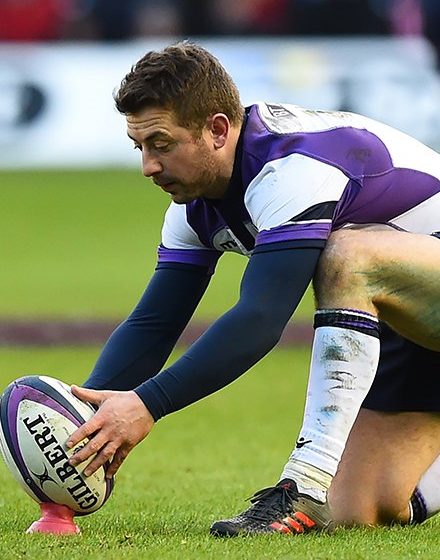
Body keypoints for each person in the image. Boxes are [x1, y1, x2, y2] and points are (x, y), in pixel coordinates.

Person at [65, 41, 440, 536]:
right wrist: (84, 419)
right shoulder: (192, 207)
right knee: (362, 508)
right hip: (407, 315)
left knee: (347, 256)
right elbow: (155, 324)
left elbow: (261, 318)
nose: (148, 166)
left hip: (412, 291)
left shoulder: (293, 167)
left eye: (161, 144)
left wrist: (147, 405)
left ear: (218, 130)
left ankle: (304, 486)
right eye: (140, 147)